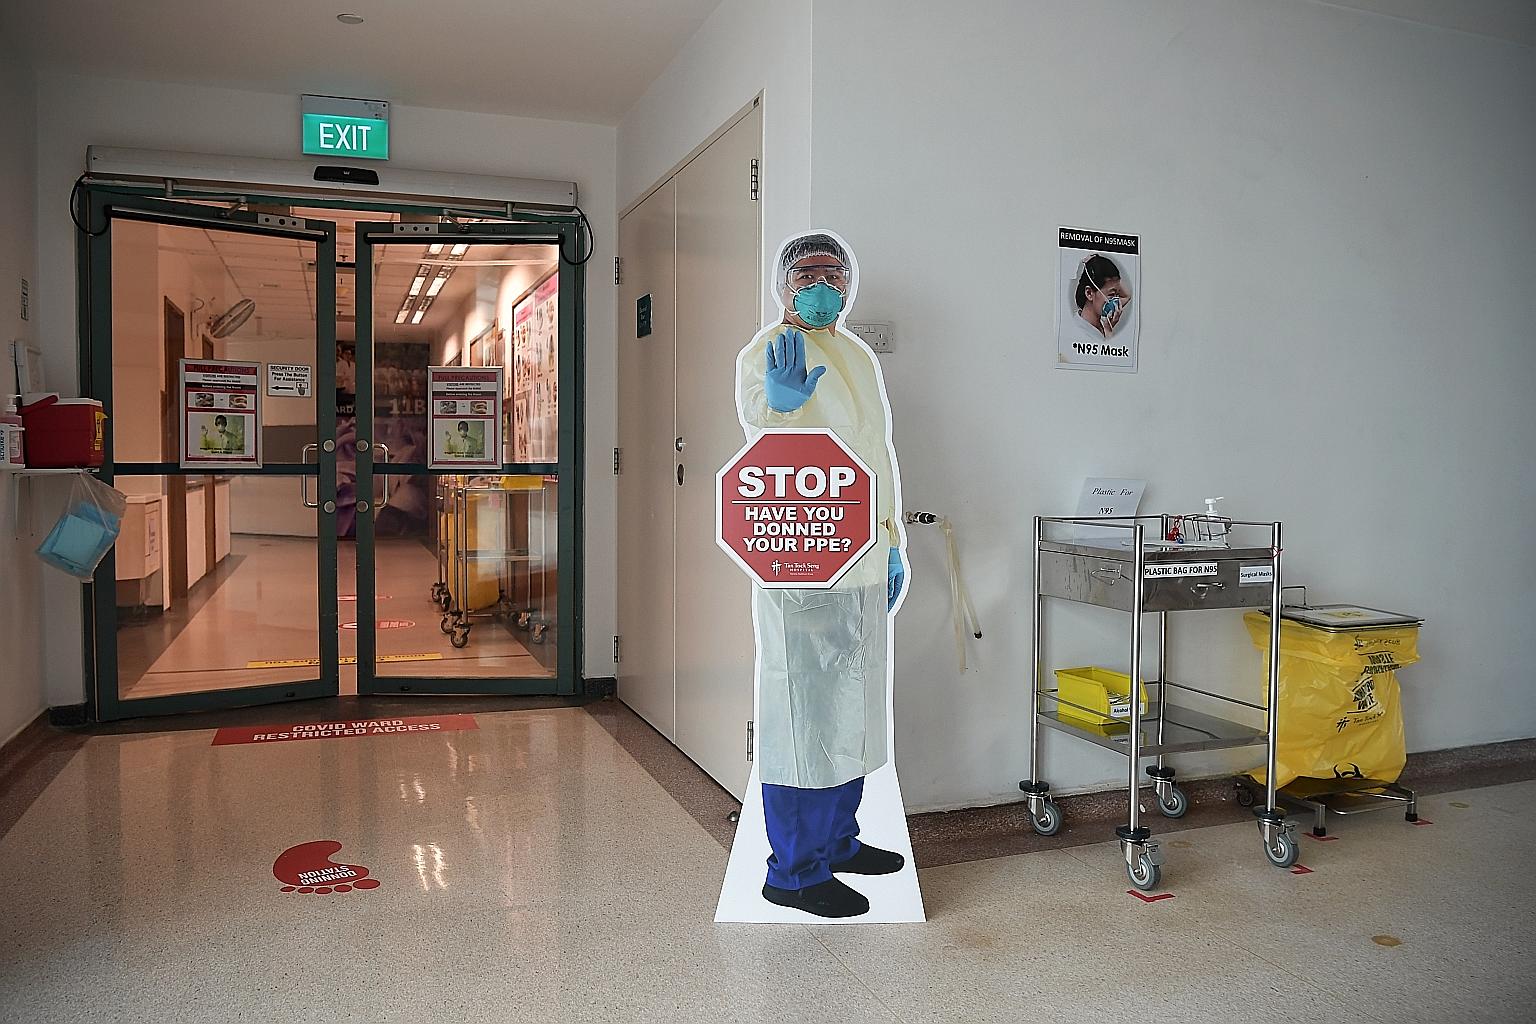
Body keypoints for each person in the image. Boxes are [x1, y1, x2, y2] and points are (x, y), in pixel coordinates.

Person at [734, 231, 907, 919]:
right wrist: (776, 401)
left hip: (863, 553)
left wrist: (891, 540)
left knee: (853, 705)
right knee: (802, 710)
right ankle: (794, 871)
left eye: (833, 274)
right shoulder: (768, 350)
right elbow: (758, 421)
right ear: (783, 286)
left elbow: (875, 455)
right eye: (806, 273)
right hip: (803, 557)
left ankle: (838, 840)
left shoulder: (857, 355)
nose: (821, 285)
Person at [1072, 253, 1131, 340]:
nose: (1115, 301)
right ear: (1089, 293)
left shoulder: (1099, 324)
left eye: (1117, 294)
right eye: (1111, 295)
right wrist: (1109, 332)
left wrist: (1094, 264)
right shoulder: (1079, 334)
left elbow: (1127, 296)